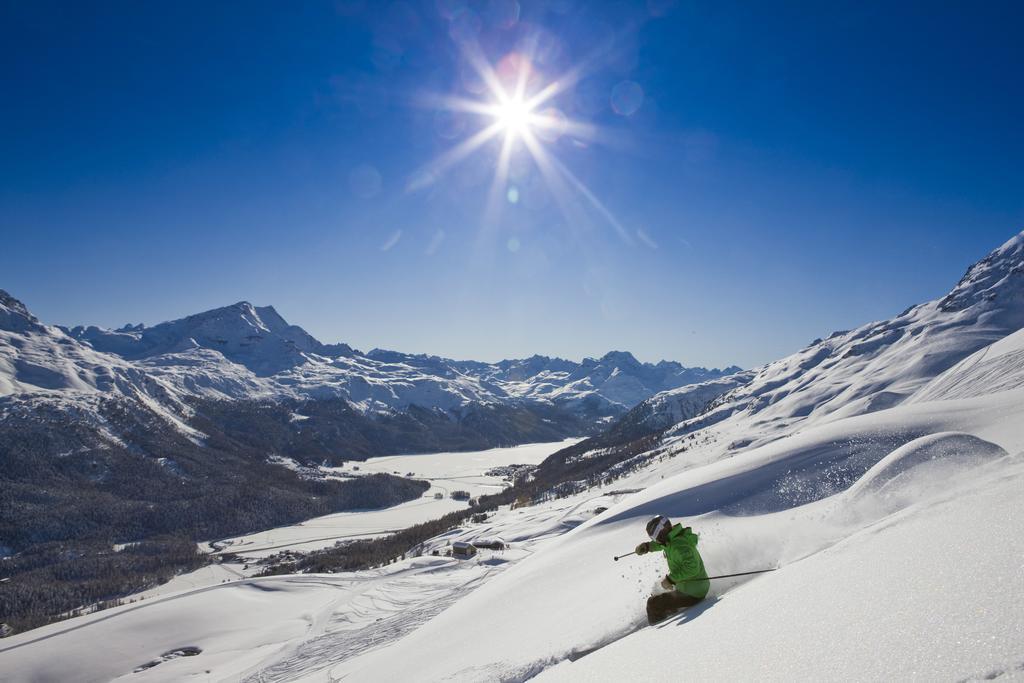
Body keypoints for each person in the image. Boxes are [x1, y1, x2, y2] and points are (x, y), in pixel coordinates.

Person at [635, 515, 710, 624]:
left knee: (653, 604)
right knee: (660, 598)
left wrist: (671, 579)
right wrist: (648, 546)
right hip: (694, 588)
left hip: (693, 593)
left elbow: (692, 568)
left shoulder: (679, 545)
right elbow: (663, 545)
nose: (655, 540)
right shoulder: (673, 539)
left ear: (661, 533)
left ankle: (655, 633)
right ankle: (670, 610)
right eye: (653, 538)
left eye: (655, 537)